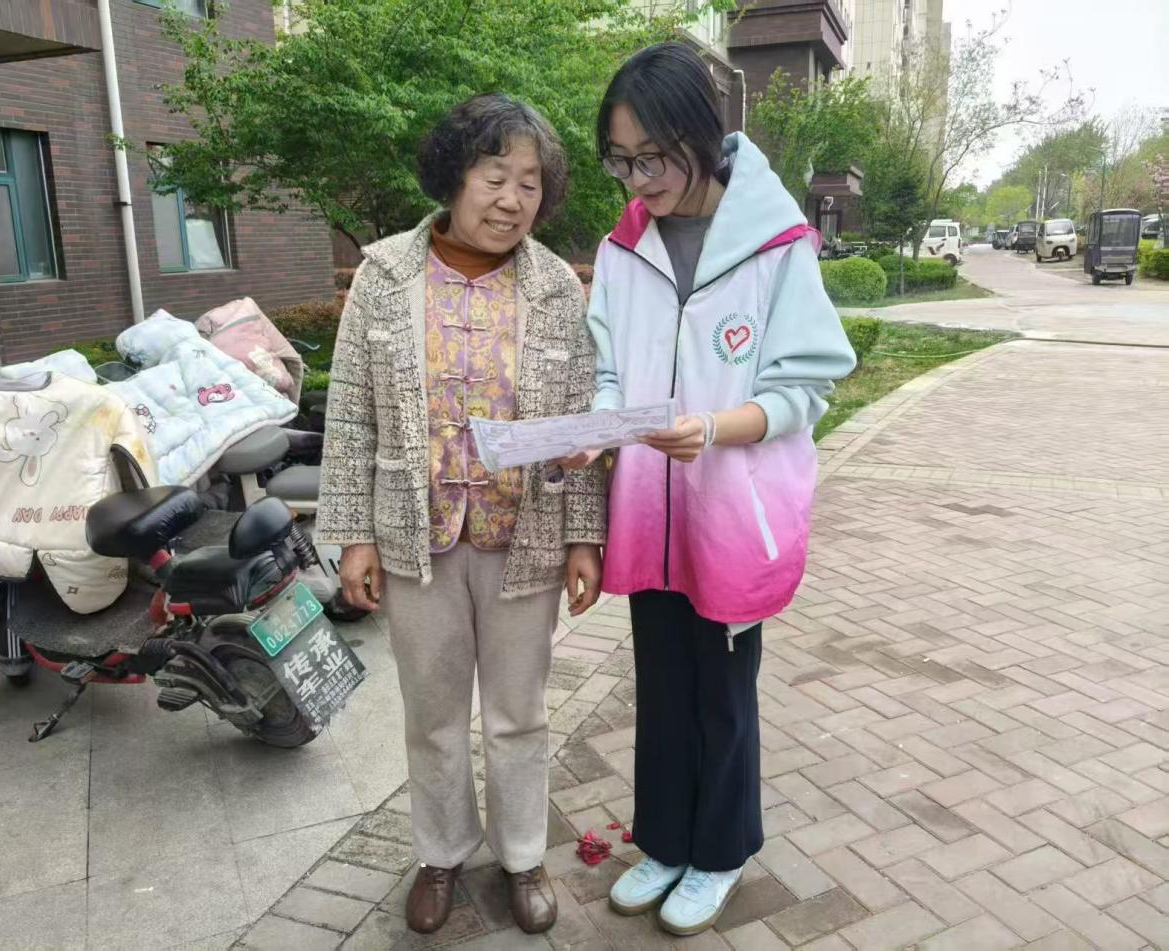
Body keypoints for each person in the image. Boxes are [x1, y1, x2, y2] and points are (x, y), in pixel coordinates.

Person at [562, 43, 856, 936]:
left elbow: (805, 387)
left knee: (722, 692)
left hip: (732, 512)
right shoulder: (625, 247)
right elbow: (610, 371)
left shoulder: (774, 243)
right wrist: (597, 429)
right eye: (620, 160)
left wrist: (715, 428)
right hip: (649, 512)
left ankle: (719, 851)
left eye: (652, 157)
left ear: (700, 135)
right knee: (659, 682)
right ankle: (662, 841)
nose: (637, 180)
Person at [315, 93, 607, 936]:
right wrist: (354, 537)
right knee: (432, 714)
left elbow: (578, 421)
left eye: (529, 183)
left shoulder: (555, 286)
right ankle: (440, 852)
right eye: (494, 176)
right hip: (416, 536)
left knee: (519, 712)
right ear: (454, 175)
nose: (512, 199)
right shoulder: (384, 276)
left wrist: (583, 536)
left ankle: (522, 856)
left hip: (525, 537)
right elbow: (352, 416)